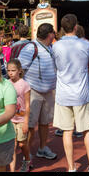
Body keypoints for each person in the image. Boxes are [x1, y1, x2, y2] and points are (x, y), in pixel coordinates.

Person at [52, 14, 89, 172]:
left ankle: (71, 167)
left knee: (67, 131)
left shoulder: (56, 46)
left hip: (63, 93)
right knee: (87, 130)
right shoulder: (85, 44)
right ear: (75, 27)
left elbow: (55, 67)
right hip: (81, 93)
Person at [17, 23, 57, 161]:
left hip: (48, 91)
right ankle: (26, 154)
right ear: (49, 34)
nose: (54, 35)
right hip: (33, 91)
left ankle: (42, 148)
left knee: (45, 122)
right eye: (53, 33)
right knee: (30, 124)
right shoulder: (30, 48)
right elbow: (19, 68)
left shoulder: (51, 47)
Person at [7, 59, 31, 173]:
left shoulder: (24, 85)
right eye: (8, 70)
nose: (10, 73)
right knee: (13, 145)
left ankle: (27, 159)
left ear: (19, 71)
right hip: (10, 119)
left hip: (21, 119)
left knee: (22, 144)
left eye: (13, 70)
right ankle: (12, 170)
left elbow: (27, 105)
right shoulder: (6, 83)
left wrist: (26, 122)